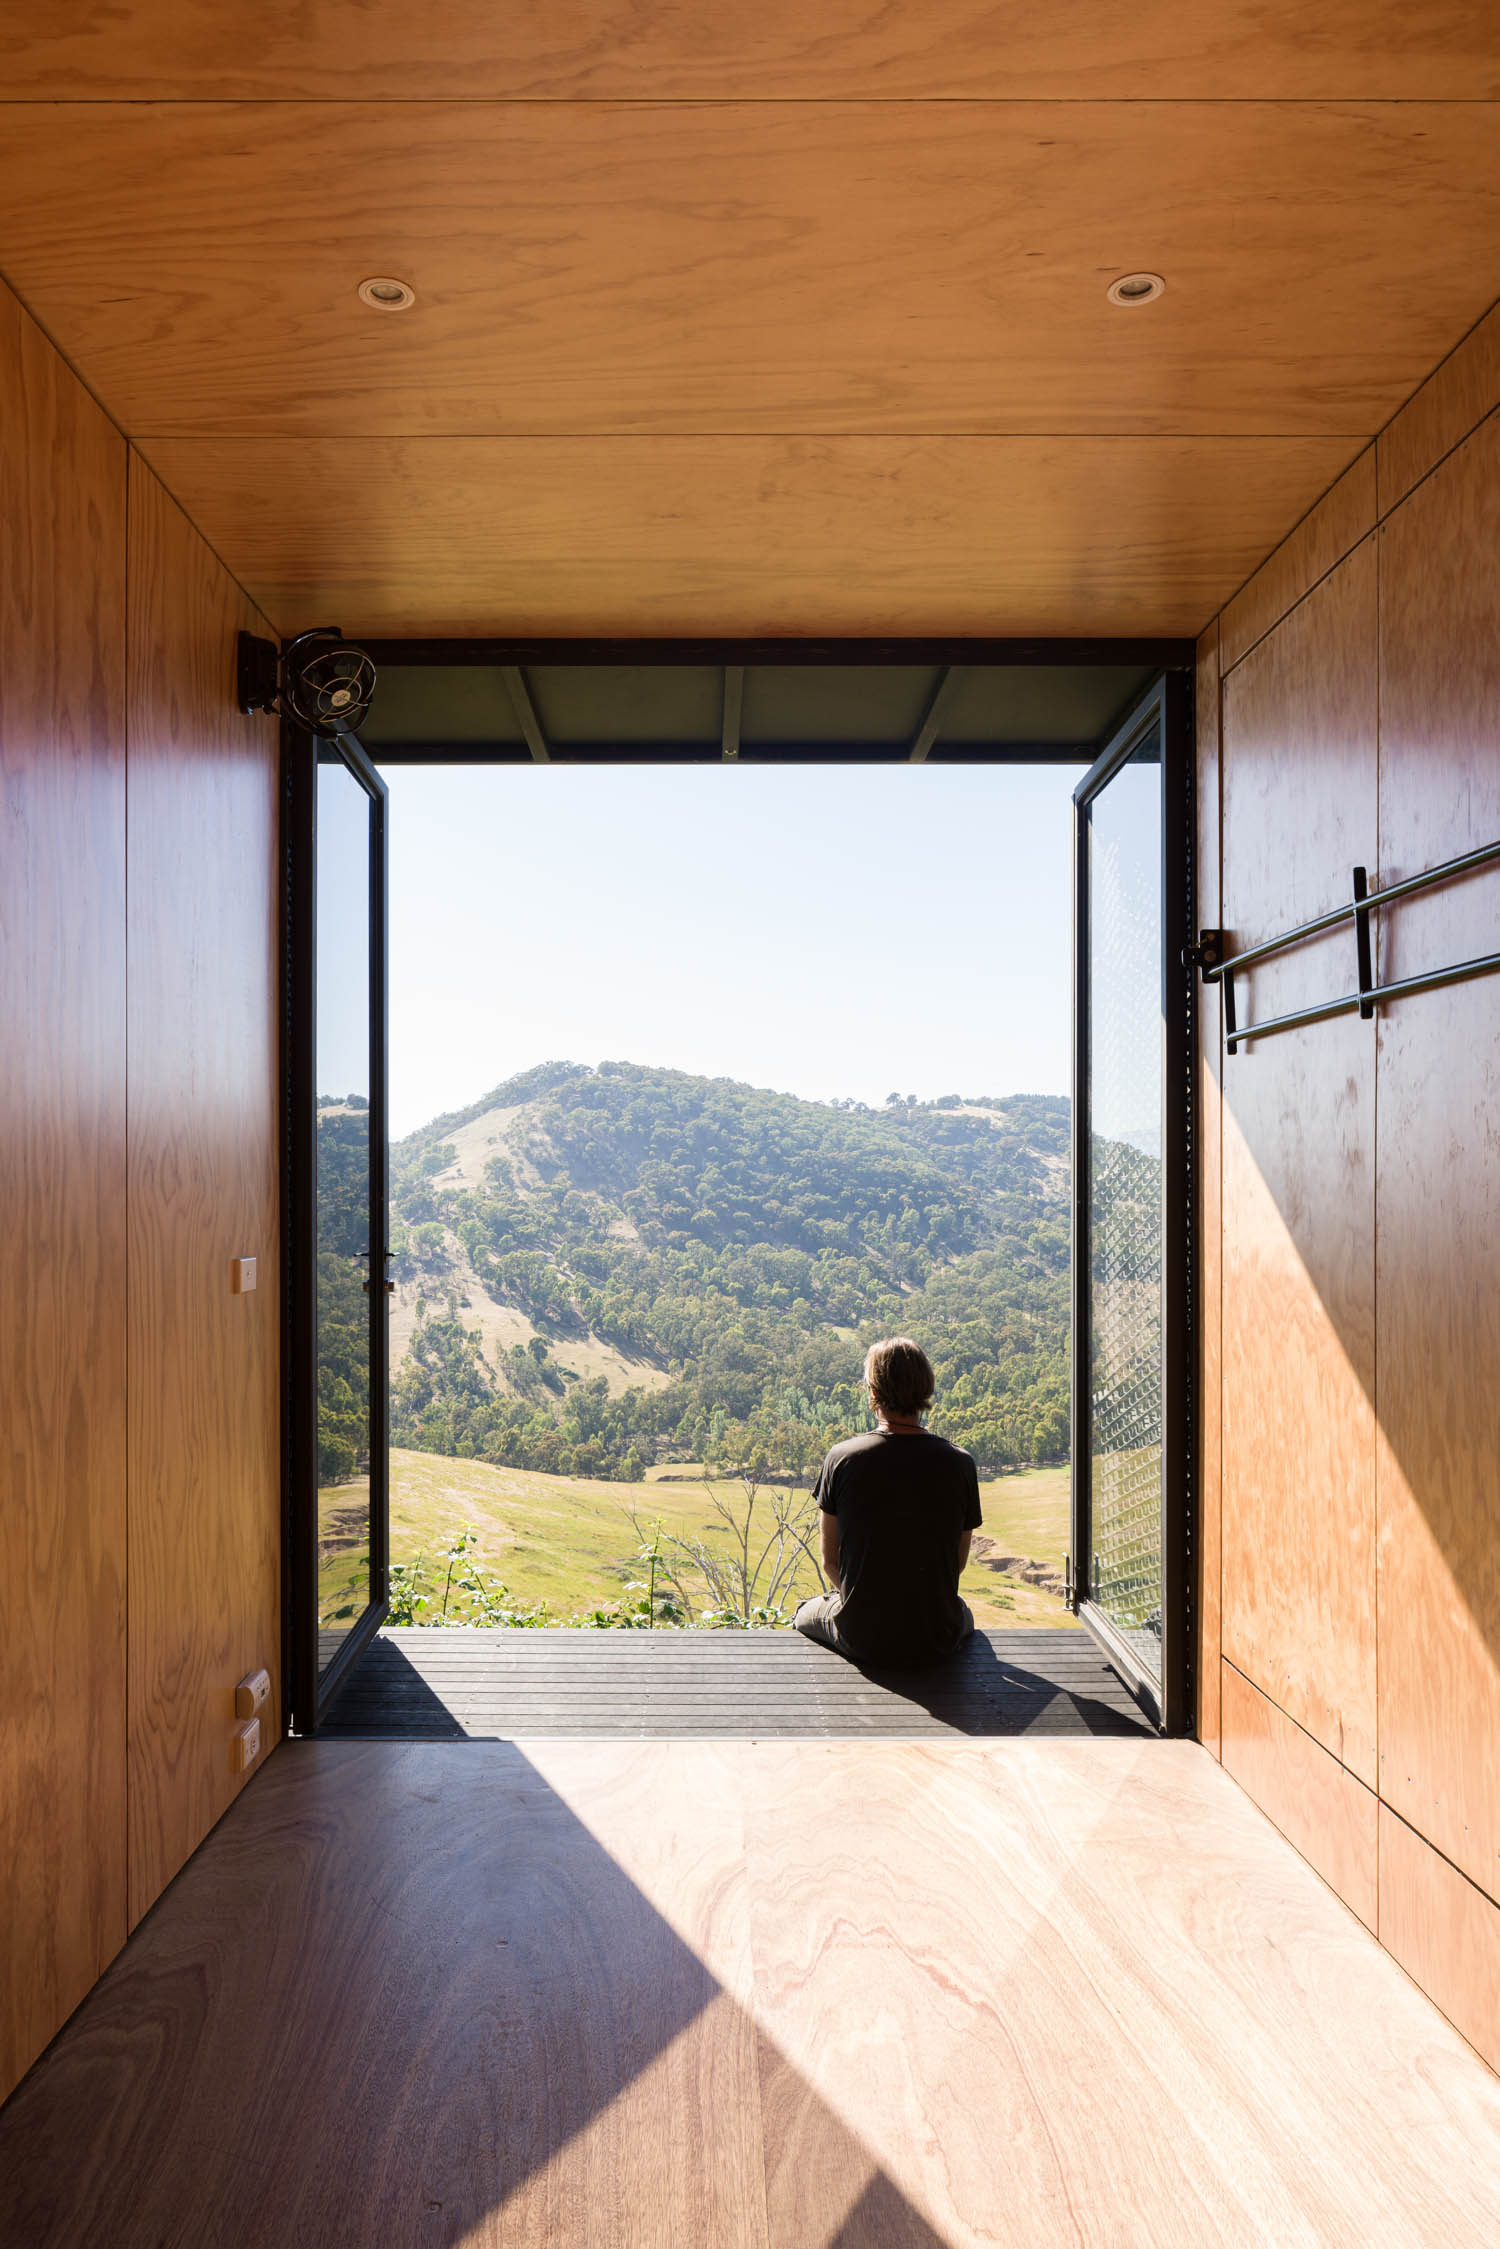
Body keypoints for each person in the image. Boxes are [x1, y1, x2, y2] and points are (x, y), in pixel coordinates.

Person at [793, 1337, 981, 1668]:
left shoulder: (843, 1458)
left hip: (864, 1637)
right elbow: (957, 1563)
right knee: (962, 1609)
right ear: (926, 1388)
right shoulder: (959, 1463)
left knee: (803, 1613)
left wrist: (866, 1601)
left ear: (874, 1391)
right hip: (938, 1634)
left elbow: (830, 1562)